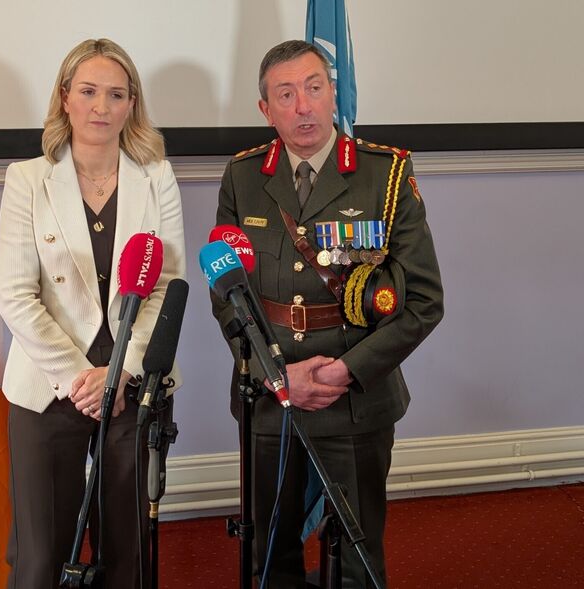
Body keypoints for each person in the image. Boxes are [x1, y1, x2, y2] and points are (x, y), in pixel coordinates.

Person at [211, 40, 443, 588]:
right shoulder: (243, 177)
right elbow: (226, 292)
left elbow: (423, 301)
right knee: (271, 555)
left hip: (354, 398)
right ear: (266, 110)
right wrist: (275, 375)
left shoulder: (384, 175)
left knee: (359, 557)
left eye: (315, 88)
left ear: (334, 93)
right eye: (285, 94)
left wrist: (344, 372)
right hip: (271, 398)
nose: (304, 106)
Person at [0, 38, 186, 589]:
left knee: (126, 554)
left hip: (131, 379)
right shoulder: (28, 179)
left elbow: (166, 286)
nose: (101, 106)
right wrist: (81, 379)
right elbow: (15, 294)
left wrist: (121, 372)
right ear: (65, 98)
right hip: (50, 383)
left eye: (116, 94)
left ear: (132, 105)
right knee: (39, 556)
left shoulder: (157, 178)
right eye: (88, 91)